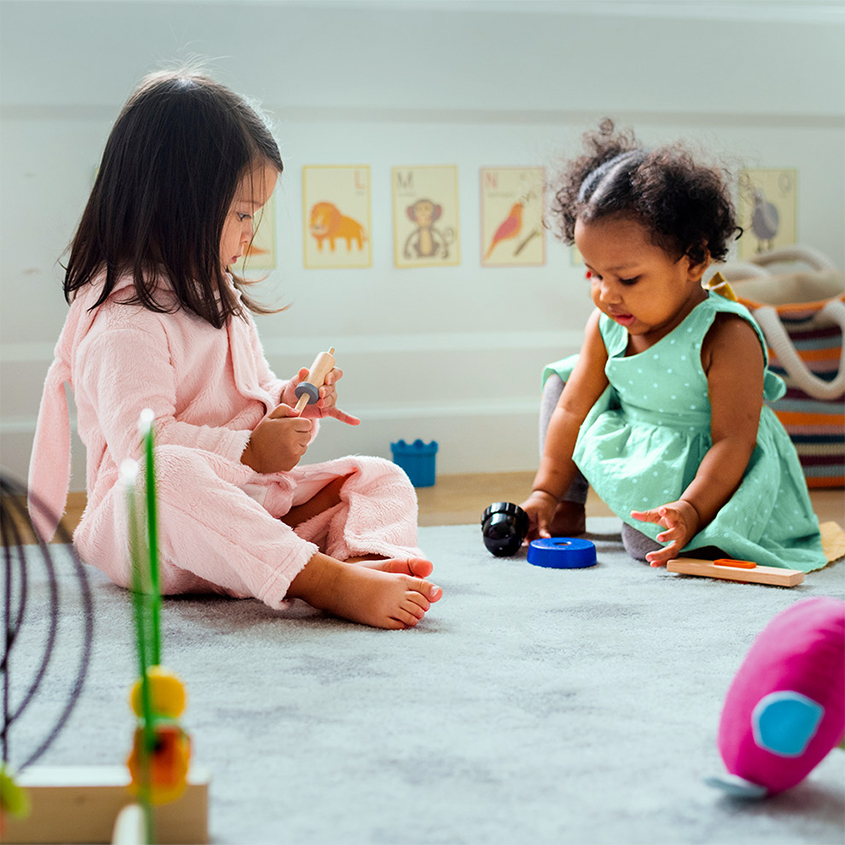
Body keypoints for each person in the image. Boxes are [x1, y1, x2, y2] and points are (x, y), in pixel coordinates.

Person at [28, 70, 442, 628]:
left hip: (244, 508)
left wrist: (292, 405)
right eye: (242, 214)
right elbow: (141, 449)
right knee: (163, 475)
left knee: (375, 477)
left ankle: (366, 556)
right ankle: (324, 580)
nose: (250, 233)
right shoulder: (124, 321)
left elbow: (250, 401)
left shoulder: (218, 299)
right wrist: (249, 451)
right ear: (179, 206)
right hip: (156, 534)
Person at [520, 120, 825, 572]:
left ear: (694, 259)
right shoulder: (606, 323)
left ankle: (687, 516)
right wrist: (545, 490)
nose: (607, 294)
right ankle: (563, 506)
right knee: (561, 385)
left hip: (706, 461)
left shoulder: (726, 334)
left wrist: (692, 509)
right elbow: (571, 411)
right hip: (639, 437)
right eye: (594, 274)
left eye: (627, 278)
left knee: (647, 545)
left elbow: (733, 441)